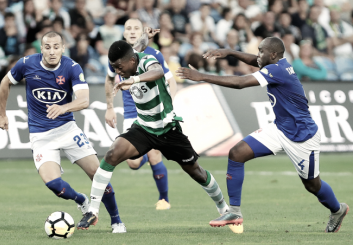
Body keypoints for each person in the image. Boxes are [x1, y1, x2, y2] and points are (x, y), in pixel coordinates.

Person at [176, 37, 349, 233]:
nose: (258, 55)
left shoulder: (277, 70)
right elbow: (255, 61)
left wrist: (202, 76)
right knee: (237, 153)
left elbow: (240, 83)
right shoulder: (280, 63)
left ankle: (337, 209)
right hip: (280, 128)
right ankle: (234, 211)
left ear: (273, 54)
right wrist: (230, 52)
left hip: (302, 136)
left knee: (312, 185)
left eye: (261, 51)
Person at [77, 39, 229, 230]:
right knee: (112, 154)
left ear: (132, 61)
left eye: (119, 67)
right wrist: (143, 39)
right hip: (144, 128)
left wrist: (134, 80)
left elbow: (157, 71)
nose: (117, 72)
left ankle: (224, 209)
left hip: (168, 129)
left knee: (195, 171)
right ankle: (93, 210)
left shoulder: (148, 61)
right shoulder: (130, 60)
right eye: (114, 67)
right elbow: (135, 50)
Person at [0, 31, 126, 234]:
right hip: (41, 135)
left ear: (63, 48)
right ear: (41, 48)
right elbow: (5, 82)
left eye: (56, 47)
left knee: (98, 174)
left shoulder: (72, 67)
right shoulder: (26, 64)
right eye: (47, 47)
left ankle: (116, 221)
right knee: (54, 185)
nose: (52, 51)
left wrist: (63, 108)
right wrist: (1, 113)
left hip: (67, 130)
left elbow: (84, 99)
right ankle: (81, 199)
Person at [105, 19, 176, 210]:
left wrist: (168, 105)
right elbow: (109, 80)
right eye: (128, 28)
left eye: (136, 28)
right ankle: (147, 152)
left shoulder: (154, 54)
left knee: (154, 154)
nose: (132, 31)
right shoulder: (117, 53)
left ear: (142, 31)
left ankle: (164, 200)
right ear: (124, 33)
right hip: (131, 113)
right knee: (133, 163)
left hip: (153, 112)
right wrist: (109, 107)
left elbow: (171, 81)